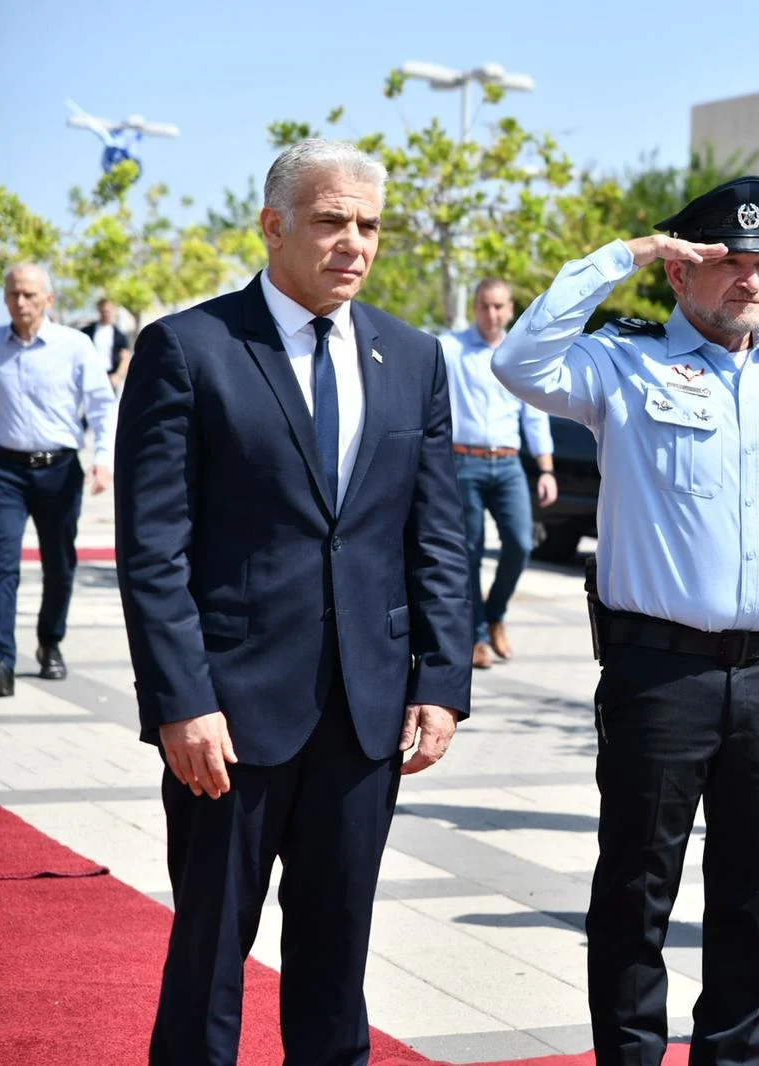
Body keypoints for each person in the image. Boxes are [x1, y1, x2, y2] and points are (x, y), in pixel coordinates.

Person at [492, 176, 759, 1066]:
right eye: (727, 264)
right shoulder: (621, 365)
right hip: (660, 674)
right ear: (680, 274)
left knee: (754, 896)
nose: (751, 281)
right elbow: (519, 360)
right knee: (635, 893)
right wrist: (625, 254)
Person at [114, 139, 474, 1066]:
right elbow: (153, 549)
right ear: (273, 226)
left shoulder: (414, 357)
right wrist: (181, 702)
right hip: (228, 721)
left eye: (369, 225)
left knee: (335, 961)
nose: (354, 243)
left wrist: (440, 681)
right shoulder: (186, 349)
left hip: (364, 721)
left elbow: (437, 536)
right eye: (330, 221)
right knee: (209, 961)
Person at [0, 265, 117, 698]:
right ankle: (2, 659)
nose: (20, 302)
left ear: (48, 300)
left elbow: (103, 406)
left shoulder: (74, 346)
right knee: (2, 563)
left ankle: (50, 642)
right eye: (13, 294)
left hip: (59, 469)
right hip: (5, 472)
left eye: (29, 294)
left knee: (59, 563)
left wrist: (103, 459)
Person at [440, 278, 558, 670]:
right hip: (463, 462)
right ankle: (475, 636)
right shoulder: (451, 349)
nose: (492, 314)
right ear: (475, 308)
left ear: (510, 309)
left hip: (508, 464)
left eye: (499, 307)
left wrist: (546, 469)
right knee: (469, 551)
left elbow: (535, 414)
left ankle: (495, 614)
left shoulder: (520, 354)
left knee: (521, 544)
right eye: (485, 306)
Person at [82, 297, 131, 389]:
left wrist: (118, 376)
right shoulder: (87, 332)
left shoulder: (119, 335)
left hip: (110, 377)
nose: (106, 314)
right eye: (103, 311)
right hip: (90, 376)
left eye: (109, 311)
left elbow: (125, 357)